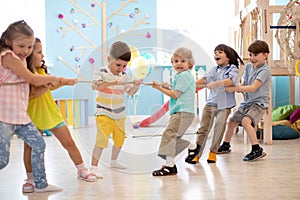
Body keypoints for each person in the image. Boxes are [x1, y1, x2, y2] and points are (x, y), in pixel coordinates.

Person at [22, 38, 97, 193]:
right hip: (32, 116)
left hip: (51, 113)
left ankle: (81, 170)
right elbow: (32, 94)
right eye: (39, 52)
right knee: (29, 148)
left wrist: (65, 82)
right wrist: (48, 84)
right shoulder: (26, 75)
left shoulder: (42, 72)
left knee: (69, 142)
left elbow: (49, 88)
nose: (42, 55)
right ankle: (30, 179)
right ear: (29, 54)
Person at [0, 20, 62, 192]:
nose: (25, 51)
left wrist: (49, 82)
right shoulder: (8, 57)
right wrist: (52, 78)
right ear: (7, 42)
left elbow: (32, 84)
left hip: (20, 117)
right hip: (4, 117)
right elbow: (31, 79)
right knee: (2, 160)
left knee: (39, 144)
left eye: (29, 47)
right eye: (21, 46)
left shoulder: (20, 58)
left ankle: (40, 184)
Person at [185, 44, 244, 164]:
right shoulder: (214, 69)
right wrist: (192, 85)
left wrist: (216, 83)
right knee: (203, 129)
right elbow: (205, 79)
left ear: (228, 57)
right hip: (211, 103)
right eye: (215, 52)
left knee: (219, 126)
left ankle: (213, 152)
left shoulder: (232, 68)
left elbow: (231, 81)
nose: (216, 54)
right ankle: (197, 154)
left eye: (220, 52)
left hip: (224, 105)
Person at [90, 41, 141, 177]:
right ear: (109, 59)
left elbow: (129, 93)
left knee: (120, 140)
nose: (121, 68)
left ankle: (114, 161)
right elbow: (95, 86)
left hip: (119, 114)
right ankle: (93, 167)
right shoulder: (101, 72)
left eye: (124, 66)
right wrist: (112, 82)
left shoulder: (125, 76)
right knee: (101, 140)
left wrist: (136, 85)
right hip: (103, 112)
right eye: (118, 65)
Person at [217, 40, 270, 161]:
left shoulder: (265, 71)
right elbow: (244, 84)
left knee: (246, 122)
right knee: (231, 123)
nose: (252, 58)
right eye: (250, 54)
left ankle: (257, 149)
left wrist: (235, 88)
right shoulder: (247, 67)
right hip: (247, 102)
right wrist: (235, 86)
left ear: (265, 55)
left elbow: (253, 87)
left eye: (256, 55)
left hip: (259, 104)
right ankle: (226, 145)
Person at [151, 47, 196, 176]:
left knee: (169, 136)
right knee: (172, 137)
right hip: (181, 113)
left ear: (190, 63)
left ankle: (170, 166)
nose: (179, 64)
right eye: (176, 61)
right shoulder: (182, 76)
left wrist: (159, 88)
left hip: (182, 113)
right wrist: (167, 86)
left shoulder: (184, 76)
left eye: (183, 61)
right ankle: (192, 147)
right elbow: (179, 91)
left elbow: (175, 95)